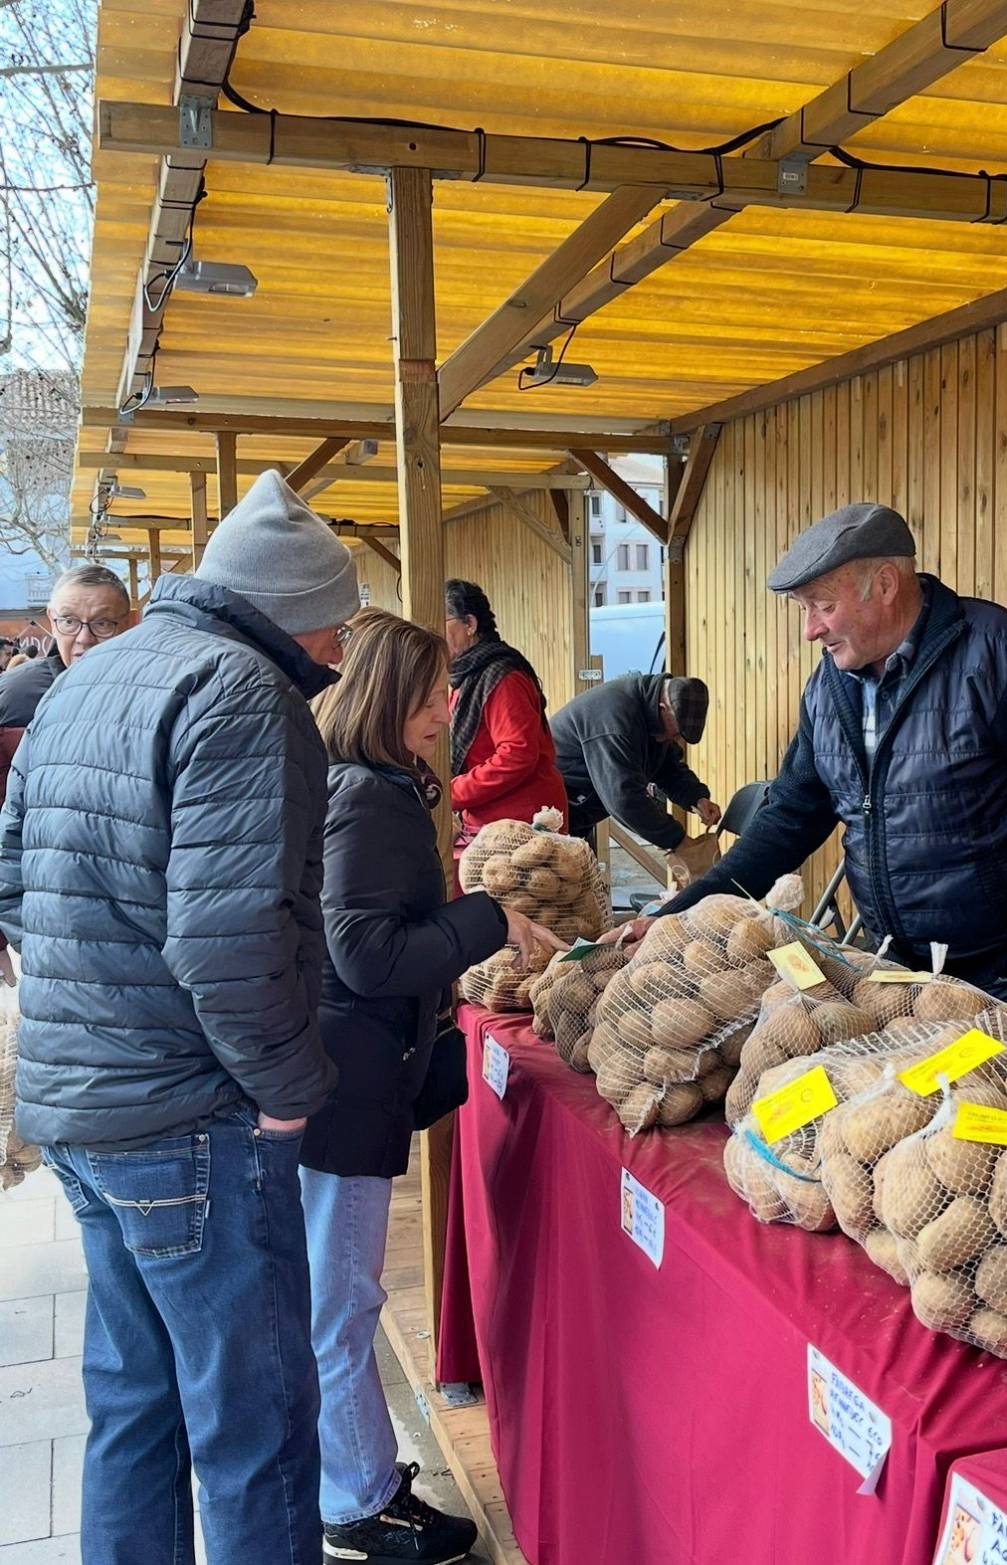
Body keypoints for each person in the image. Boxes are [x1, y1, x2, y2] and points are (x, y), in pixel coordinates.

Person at [0, 469, 362, 1565]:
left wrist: (104, 1004)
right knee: (253, 1427)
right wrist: (292, 1094)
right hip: (189, 1116)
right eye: (337, 624)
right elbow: (232, 941)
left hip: (82, 1107)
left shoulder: (86, 677)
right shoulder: (246, 695)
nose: (341, 649)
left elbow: (13, 881)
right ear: (293, 609)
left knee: (135, 1406)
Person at [631, 503, 1007, 1033]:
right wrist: (676, 916)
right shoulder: (829, 688)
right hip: (896, 979)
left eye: (822, 606)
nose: (810, 630)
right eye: (804, 610)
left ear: (886, 584)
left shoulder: (1004, 656)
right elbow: (787, 820)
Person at [299, 608, 563, 1565]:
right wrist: (486, 919)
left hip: (350, 1075)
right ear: (387, 698)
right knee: (341, 1304)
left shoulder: (362, 784)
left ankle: (353, 1481)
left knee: (333, 1300)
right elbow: (367, 954)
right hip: (347, 1085)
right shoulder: (368, 796)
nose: (447, 706)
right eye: (430, 693)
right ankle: (360, 1504)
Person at [550, 672, 722, 865]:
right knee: (549, 885)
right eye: (674, 735)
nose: (675, 741)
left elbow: (668, 767)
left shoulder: (654, 719)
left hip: (576, 812)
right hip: (545, 813)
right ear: (662, 708)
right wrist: (678, 840)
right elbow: (624, 799)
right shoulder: (615, 718)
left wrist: (696, 797)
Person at [444, 578, 567, 842]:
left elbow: (517, 754)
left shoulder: (501, 677)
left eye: (441, 621)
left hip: (521, 823)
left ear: (470, 625)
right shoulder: (468, 676)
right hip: (494, 821)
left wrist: (452, 792)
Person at [0, 564, 133, 804]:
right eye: (69, 621)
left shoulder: (155, 697)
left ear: (128, 623)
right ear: (52, 620)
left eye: (102, 623)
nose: (85, 638)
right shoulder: (13, 694)